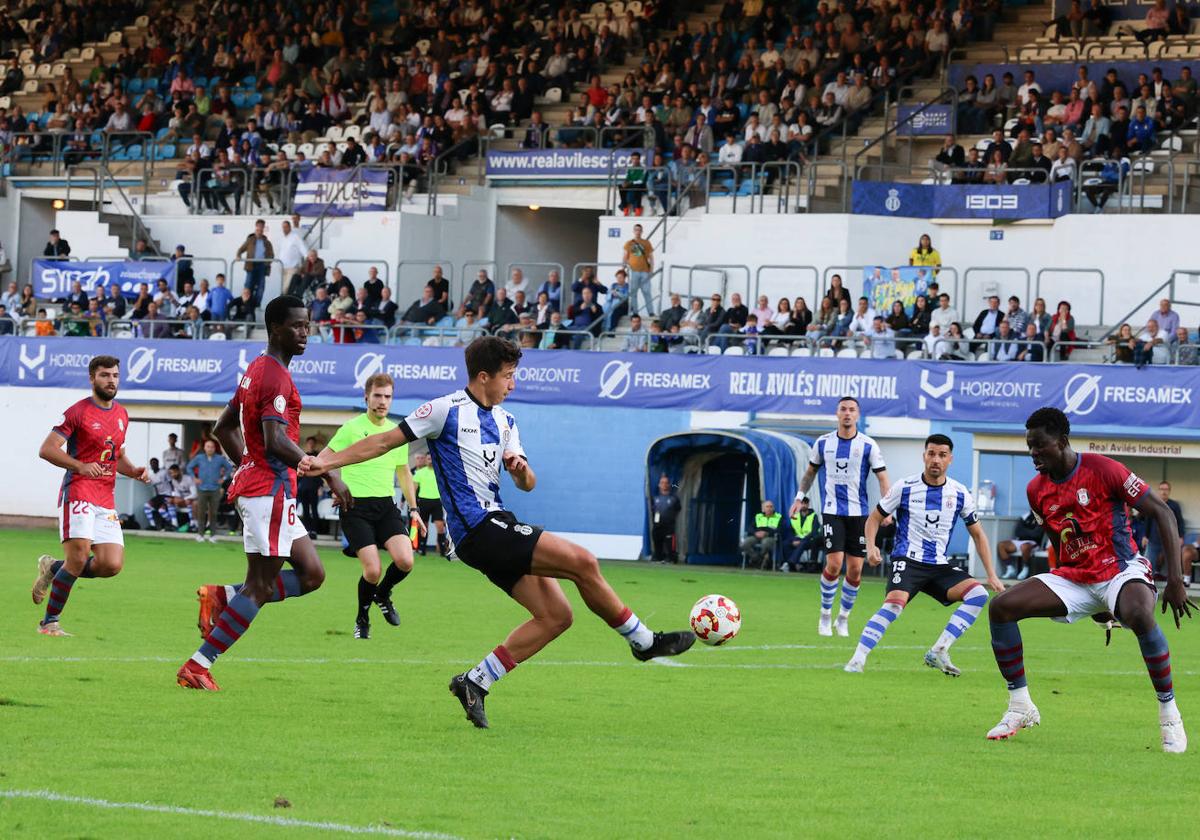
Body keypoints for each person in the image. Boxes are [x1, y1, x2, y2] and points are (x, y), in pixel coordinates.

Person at [300, 336, 696, 728]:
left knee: (556, 616)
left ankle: (475, 682)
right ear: (483, 376)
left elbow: (529, 483)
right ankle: (644, 642)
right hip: (479, 528)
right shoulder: (444, 410)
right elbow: (383, 442)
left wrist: (522, 472)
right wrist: (325, 461)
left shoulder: (507, 421)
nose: (513, 384)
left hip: (495, 525)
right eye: (508, 376)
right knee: (583, 561)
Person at [985, 407, 1195, 751]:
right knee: (1001, 608)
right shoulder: (1036, 490)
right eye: (1030, 447)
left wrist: (1175, 579)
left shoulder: (1104, 468)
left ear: (1063, 441)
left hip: (1119, 569)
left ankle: (1170, 716)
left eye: (1040, 446)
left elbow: (1162, 512)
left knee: (1139, 615)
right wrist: (1085, 598)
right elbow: (1058, 541)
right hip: (1074, 577)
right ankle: (1020, 706)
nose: (1034, 454)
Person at [176, 296, 351, 691]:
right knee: (260, 587)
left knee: (312, 574)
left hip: (267, 489)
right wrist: (325, 472)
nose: (305, 332)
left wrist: (246, 464)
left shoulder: (256, 370)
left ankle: (222, 595)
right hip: (267, 491)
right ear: (275, 329)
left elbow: (223, 428)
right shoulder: (274, 377)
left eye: (307, 324)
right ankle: (198, 665)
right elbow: (274, 440)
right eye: (296, 326)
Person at [845, 434, 1004, 675]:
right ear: (924, 456)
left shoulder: (960, 493)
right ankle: (857, 659)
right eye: (931, 454)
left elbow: (979, 535)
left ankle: (940, 649)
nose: (935, 460)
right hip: (908, 561)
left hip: (939, 566)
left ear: (950, 459)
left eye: (942, 455)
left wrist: (991, 574)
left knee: (978, 594)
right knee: (894, 606)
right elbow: (874, 518)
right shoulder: (905, 487)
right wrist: (871, 546)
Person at [29, 356, 152, 635]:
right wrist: (80, 465)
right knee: (79, 557)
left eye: (115, 376)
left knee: (111, 564)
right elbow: (47, 449)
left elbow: (116, 455)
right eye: (105, 375)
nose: (111, 380)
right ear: (92, 378)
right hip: (79, 492)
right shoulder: (78, 412)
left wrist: (133, 470)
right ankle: (49, 623)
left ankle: (52, 567)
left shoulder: (121, 414)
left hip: (105, 497)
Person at [321, 373, 423, 639]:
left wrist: (413, 509)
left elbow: (404, 473)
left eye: (387, 396)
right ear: (366, 397)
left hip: (386, 507)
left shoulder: (396, 432)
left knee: (405, 561)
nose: (382, 401)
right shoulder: (351, 429)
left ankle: (383, 594)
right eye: (377, 396)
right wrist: (335, 485)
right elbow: (324, 461)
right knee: (373, 569)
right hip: (355, 507)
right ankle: (362, 618)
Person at [791, 397, 891, 637]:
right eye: (843, 409)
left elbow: (882, 477)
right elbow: (810, 473)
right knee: (834, 564)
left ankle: (843, 618)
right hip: (832, 511)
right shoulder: (823, 443)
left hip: (859, 515)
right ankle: (825, 614)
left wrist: (886, 508)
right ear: (837, 414)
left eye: (852, 410)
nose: (847, 413)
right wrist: (799, 496)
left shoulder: (868, 445)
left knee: (855, 570)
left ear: (858, 415)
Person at [186, 439, 233, 542]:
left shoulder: (220, 458)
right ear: (204, 448)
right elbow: (189, 467)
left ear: (214, 448)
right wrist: (194, 478)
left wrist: (223, 478)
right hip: (202, 488)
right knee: (201, 512)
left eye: (212, 447)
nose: (210, 448)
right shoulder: (199, 458)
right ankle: (200, 535)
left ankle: (213, 535)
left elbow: (229, 468)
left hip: (215, 489)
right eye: (208, 446)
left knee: (213, 512)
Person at [1143, 480, 1185, 579]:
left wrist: (1180, 536)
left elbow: (1180, 522)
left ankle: (1172, 586)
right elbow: (1147, 521)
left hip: (1170, 540)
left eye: (1166, 489)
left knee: (1173, 565)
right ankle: (1147, 584)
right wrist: (1145, 536)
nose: (1164, 492)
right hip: (1154, 540)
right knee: (1148, 563)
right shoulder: (1153, 504)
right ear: (1158, 491)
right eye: (1162, 489)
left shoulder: (1174, 506)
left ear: (1169, 491)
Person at [413, 452, 448, 556]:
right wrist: (413, 504)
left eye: (432, 459)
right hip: (423, 501)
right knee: (424, 527)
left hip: (437, 501)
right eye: (428, 459)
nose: (430, 461)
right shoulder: (419, 472)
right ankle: (421, 549)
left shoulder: (439, 472)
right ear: (425, 460)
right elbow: (414, 489)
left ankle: (443, 551)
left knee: (440, 526)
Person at [235, 219, 274, 308]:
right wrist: (238, 255)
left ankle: (256, 304)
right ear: (256, 228)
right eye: (258, 229)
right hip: (251, 265)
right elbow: (241, 249)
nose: (259, 231)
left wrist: (267, 262)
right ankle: (245, 302)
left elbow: (271, 255)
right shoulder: (250, 240)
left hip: (262, 265)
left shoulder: (267, 242)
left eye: (261, 229)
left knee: (261, 286)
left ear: (263, 229)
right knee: (248, 285)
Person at [997, 511, 1044, 581]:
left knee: (1024, 546)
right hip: (1020, 541)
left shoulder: (1041, 517)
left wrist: (1024, 532)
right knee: (1001, 545)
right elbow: (1018, 531)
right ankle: (1010, 569)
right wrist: (1029, 532)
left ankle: (1025, 568)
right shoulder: (1025, 516)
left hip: (1034, 542)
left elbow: (1037, 534)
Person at [623, 224, 655, 319]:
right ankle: (635, 312)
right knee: (633, 293)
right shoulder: (629, 243)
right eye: (636, 230)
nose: (638, 231)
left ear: (642, 231)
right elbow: (625, 256)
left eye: (639, 230)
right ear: (633, 231)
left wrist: (651, 270)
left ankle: (651, 312)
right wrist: (623, 268)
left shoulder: (646, 243)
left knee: (647, 292)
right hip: (633, 271)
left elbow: (651, 257)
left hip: (645, 271)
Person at [782, 496, 820, 572]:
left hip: (808, 540)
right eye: (801, 503)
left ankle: (790, 563)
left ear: (808, 504)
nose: (803, 505)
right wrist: (793, 540)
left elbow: (814, 532)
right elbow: (791, 531)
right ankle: (795, 564)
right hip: (797, 538)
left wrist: (802, 540)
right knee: (785, 544)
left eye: (805, 503)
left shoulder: (813, 516)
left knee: (802, 543)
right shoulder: (795, 516)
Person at [740, 500, 781, 569]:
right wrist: (755, 533)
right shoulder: (758, 516)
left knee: (765, 543)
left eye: (771, 507)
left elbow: (780, 529)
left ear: (773, 508)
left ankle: (758, 560)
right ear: (763, 509)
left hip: (770, 537)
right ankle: (757, 559)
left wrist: (767, 533)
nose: (769, 508)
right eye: (767, 507)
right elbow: (749, 527)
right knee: (744, 544)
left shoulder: (778, 517)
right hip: (757, 536)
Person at [650, 474, 681, 564]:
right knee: (657, 540)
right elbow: (653, 510)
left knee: (669, 542)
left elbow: (678, 509)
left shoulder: (673, 498)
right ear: (659, 485)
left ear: (668, 485)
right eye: (662, 483)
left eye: (666, 483)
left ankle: (671, 558)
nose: (664, 485)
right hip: (658, 525)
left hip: (669, 526)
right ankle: (658, 557)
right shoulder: (655, 498)